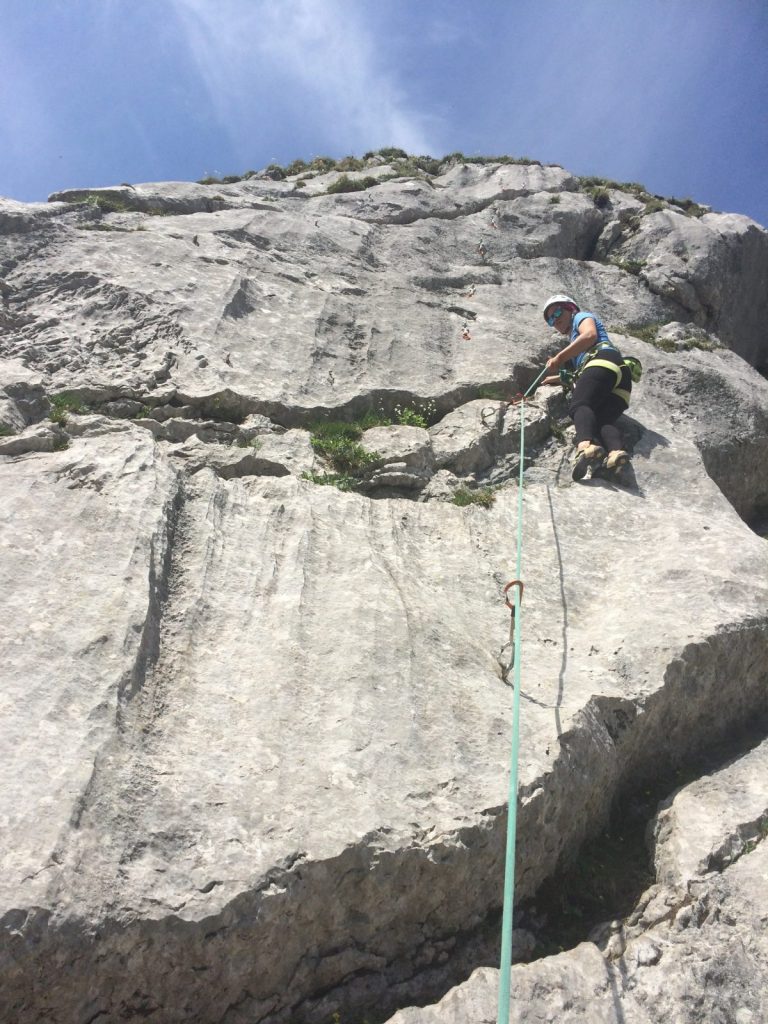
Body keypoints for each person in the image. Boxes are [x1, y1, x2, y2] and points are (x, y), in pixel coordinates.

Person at [540, 294, 631, 480]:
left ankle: (586, 447)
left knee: (580, 404)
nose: (555, 319)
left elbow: (590, 336)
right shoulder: (574, 344)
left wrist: (559, 358)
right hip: (619, 377)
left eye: (557, 312)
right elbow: (586, 376)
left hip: (603, 361)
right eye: (550, 319)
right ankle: (615, 454)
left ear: (570, 308)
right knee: (602, 420)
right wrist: (559, 378)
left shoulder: (581, 317)